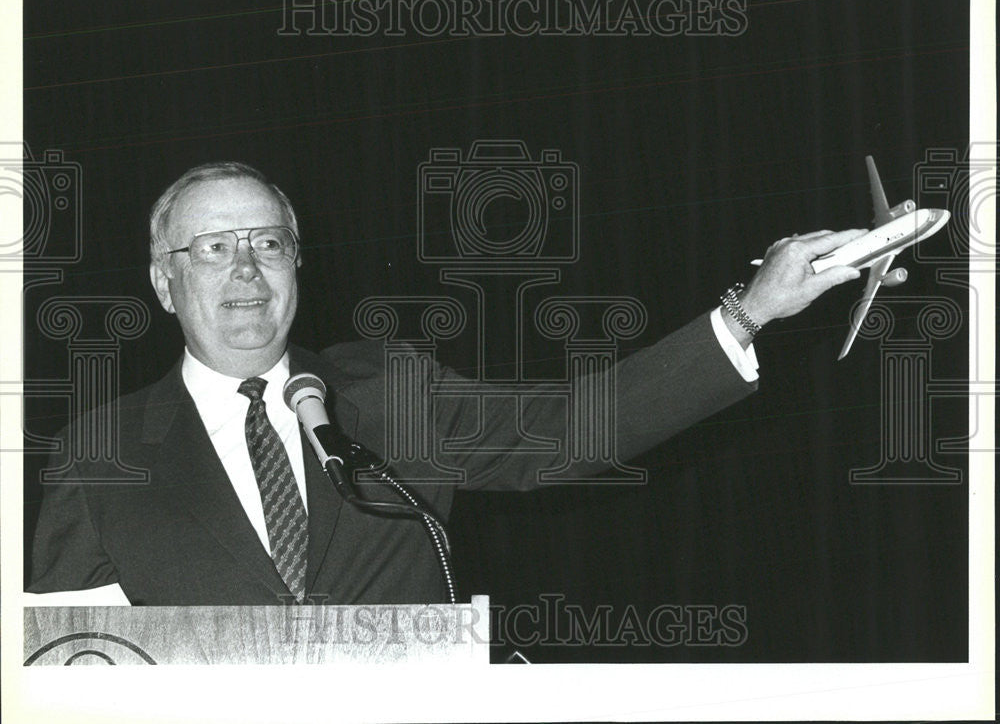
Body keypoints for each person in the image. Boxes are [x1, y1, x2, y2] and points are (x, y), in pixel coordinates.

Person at [28, 161, 863, 605]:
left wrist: (752, 312)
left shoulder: (393, 394)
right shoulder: (97, 454)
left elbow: (578, 427)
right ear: (163, 282)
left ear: (296, 265)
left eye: (269, 243)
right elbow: (68, 659)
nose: (246, 268)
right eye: (213, 248)